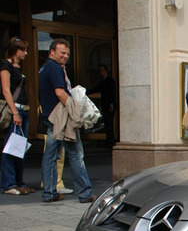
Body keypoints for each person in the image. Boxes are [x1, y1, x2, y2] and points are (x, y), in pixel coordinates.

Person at [39, 38, 95, 203]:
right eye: (62, 52)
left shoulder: (44, 68)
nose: (65, 56)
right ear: (52, 51)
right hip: (61, 118)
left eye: (67, 54)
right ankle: (85, 194)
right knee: (76, 154)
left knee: (50, 156)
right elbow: (60, 93)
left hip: (50, 118)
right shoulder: (55, 68)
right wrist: (75, 112)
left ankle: (49, 193)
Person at [1, 36, 35, 195]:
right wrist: (15, 112)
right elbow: (6, 90)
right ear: (15, 50)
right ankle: (9, 184)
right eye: (23, 50)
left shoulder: (17, 67)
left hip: (23, 110)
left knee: (19, 148)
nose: (25, 53)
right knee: (11, 147)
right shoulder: (5, 65)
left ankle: (19, 182)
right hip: (16, 110)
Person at [87, 63, 117, 147]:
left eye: (102, 70)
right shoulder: (102, 81)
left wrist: (112, 104)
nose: (101, 72)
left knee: (109, 123)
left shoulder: (110, 81)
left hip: (109, 105)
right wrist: (86, 92)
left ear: (106, 71)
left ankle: (110, 141)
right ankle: (108, 140)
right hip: (104, 105)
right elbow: (96, 89)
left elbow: (112, 93)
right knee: (107, 123)